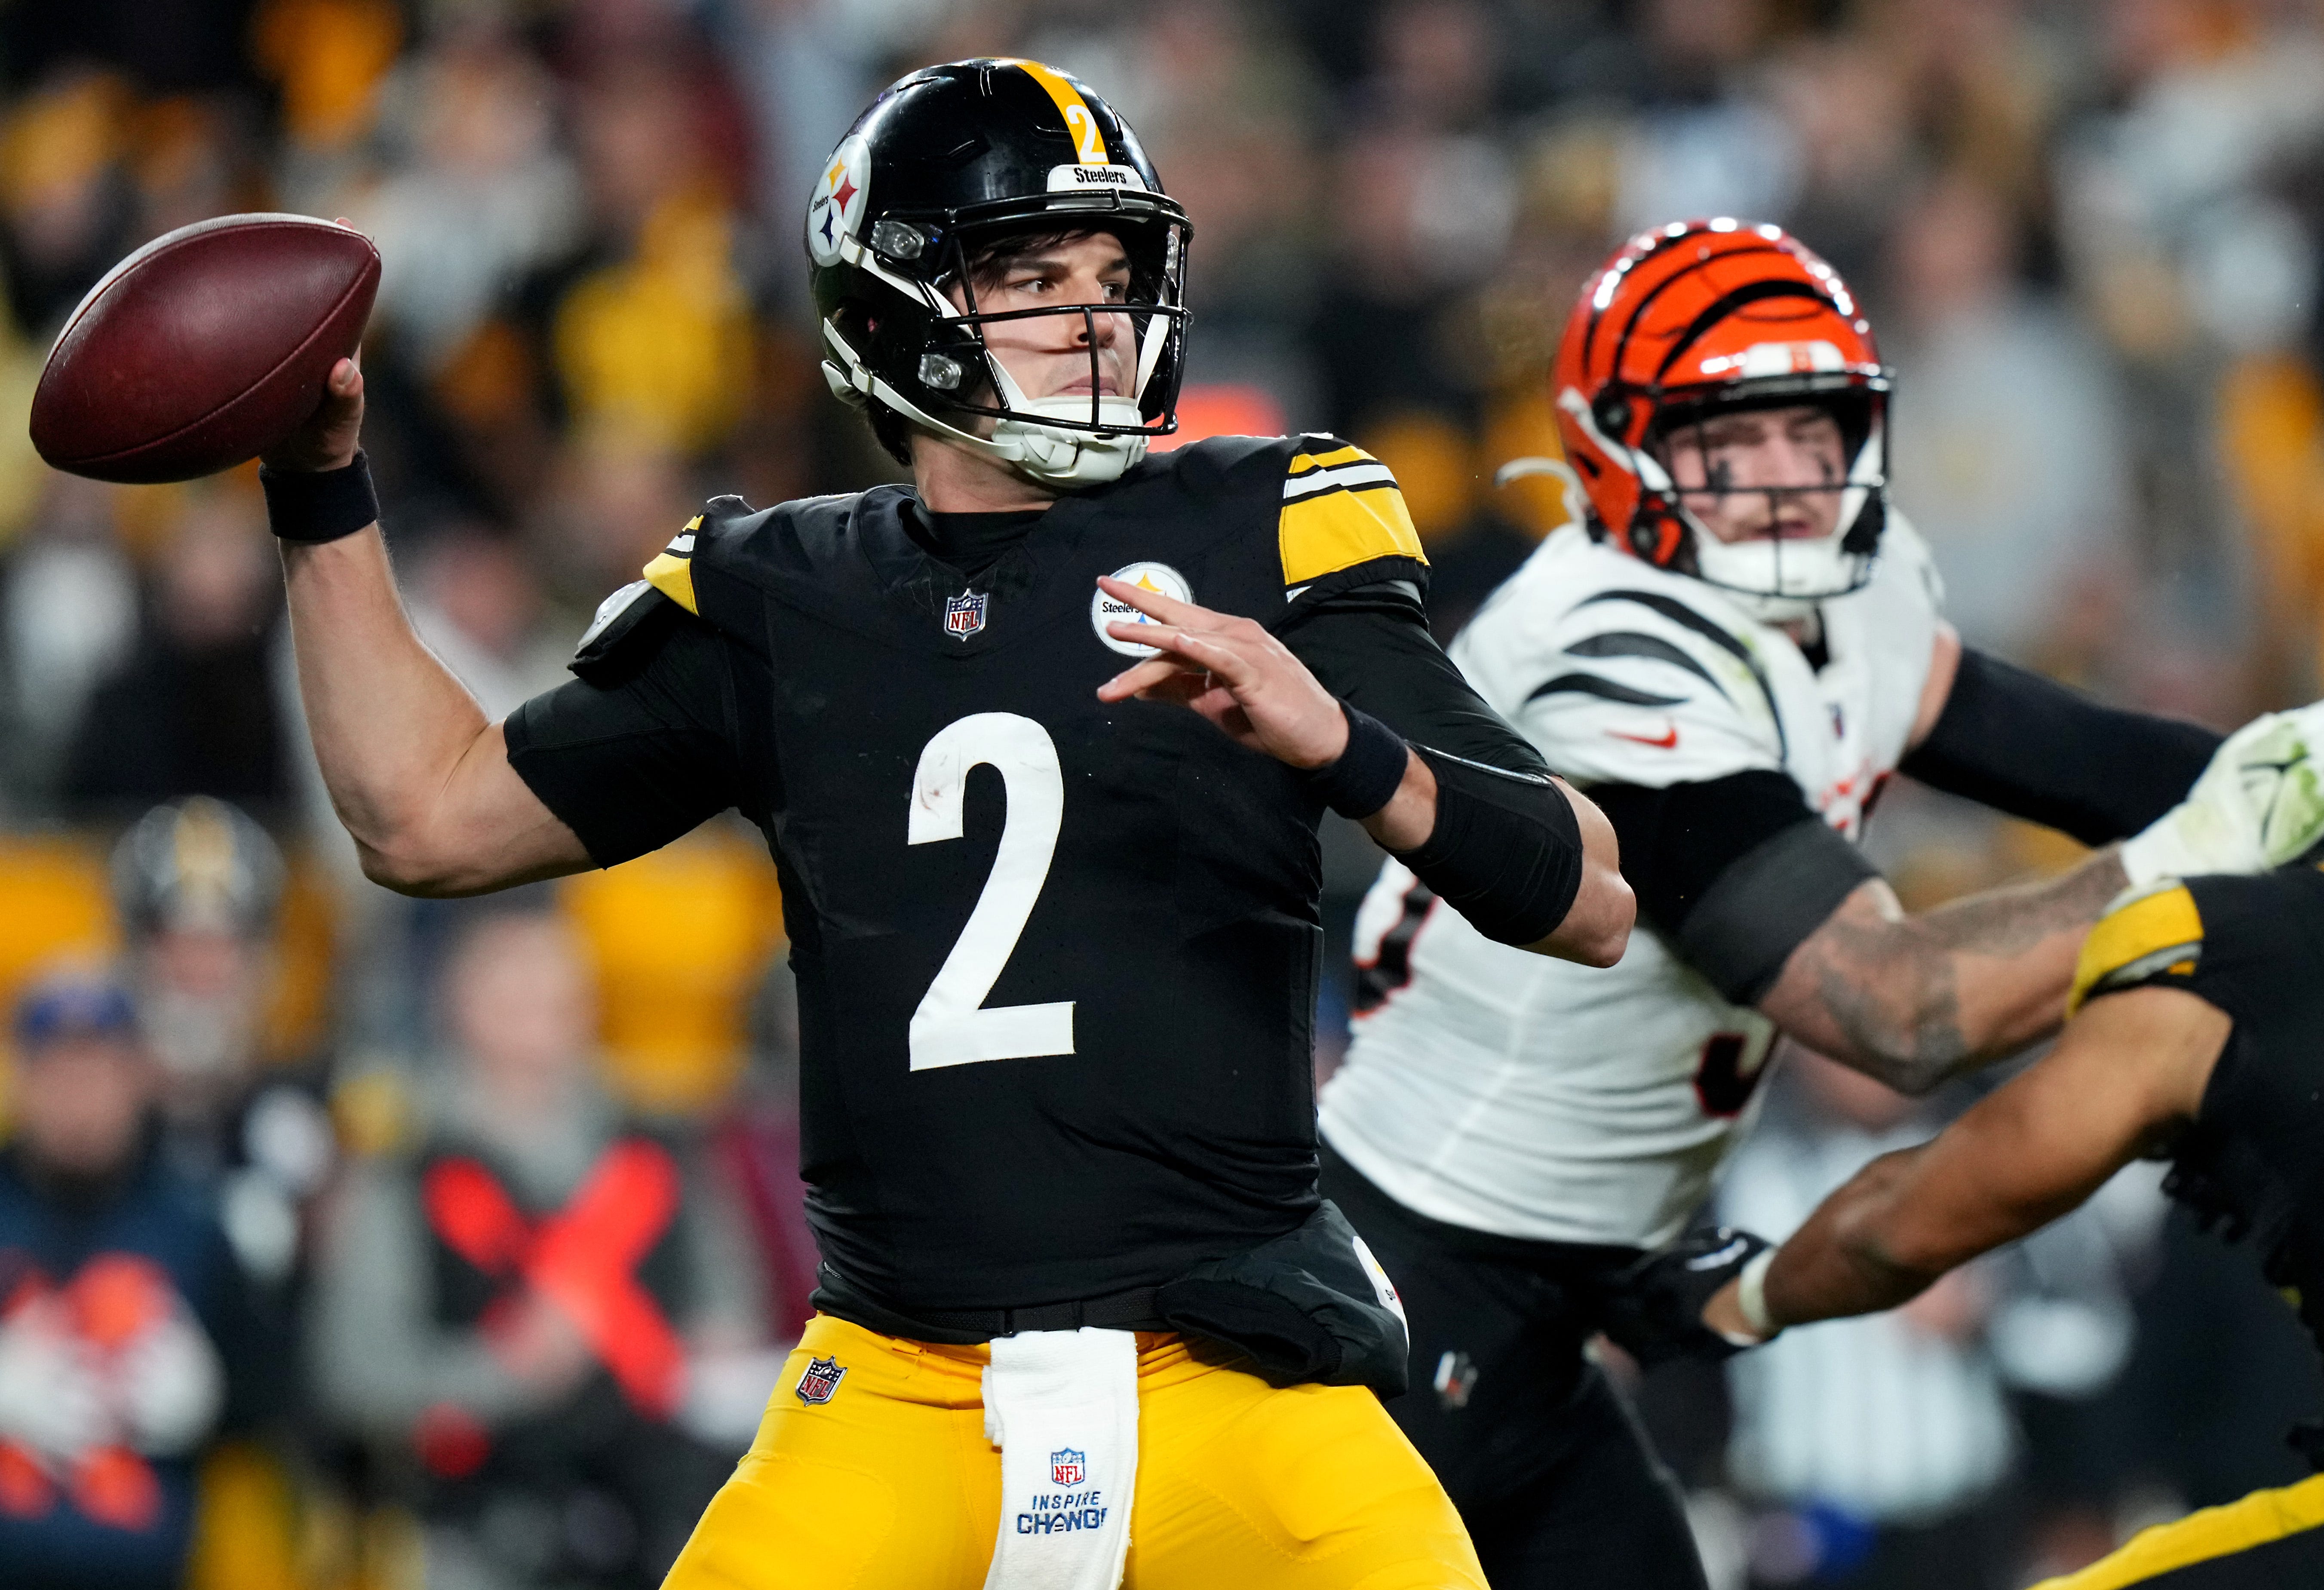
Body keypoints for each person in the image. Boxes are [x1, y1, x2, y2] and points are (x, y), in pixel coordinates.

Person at [264, 58, 1634, 1590]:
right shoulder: (774, 586)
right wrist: (321, 489)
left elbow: (1582, 890)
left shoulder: (1264, 519)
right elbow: (424, 818)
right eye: (1032, 275)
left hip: (1236, 1382)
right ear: (893, 306)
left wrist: (1345, 746)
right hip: (901, 1384)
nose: (1092, 315)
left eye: (1112, 273)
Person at [1315, 218, 2324, 1589]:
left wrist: (2314, 789)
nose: (1780, 482)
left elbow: (2074, 757)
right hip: (1425, 1256)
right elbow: (1902, 1013)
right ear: (1615, 447)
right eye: (1724, 441)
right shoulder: (1604, 650)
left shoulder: (1856, 586)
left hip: (1587, 1275)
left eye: (1805, 431)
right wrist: (2223, 830)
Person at [1690, 850, 2324, 1587]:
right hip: (1789, 1534)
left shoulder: (2007, 1136)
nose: (1860, 1059)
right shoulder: (1735, 1171)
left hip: (1962, 1530)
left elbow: (2094, 1340)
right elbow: (1683, 1357)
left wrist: (1991, 1313)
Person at [311, 909, 766, 1590]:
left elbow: (734, 1310)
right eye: (511, 984)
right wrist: (499, 1370)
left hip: (657, 1505)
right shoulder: (405, 1165)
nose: (537, 1004)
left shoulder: (661, 1143)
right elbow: (352, 1374)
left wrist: (703, 1354)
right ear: (458, 1000)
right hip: (477, 1519)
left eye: (555, 985)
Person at [0, 971, 265, 1590]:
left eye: (99, 1070)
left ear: (138, 1077)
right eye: (59, 1071)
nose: (80, 1095)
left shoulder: (194, 1221)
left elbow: (272, 1398)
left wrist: (210, 1394)